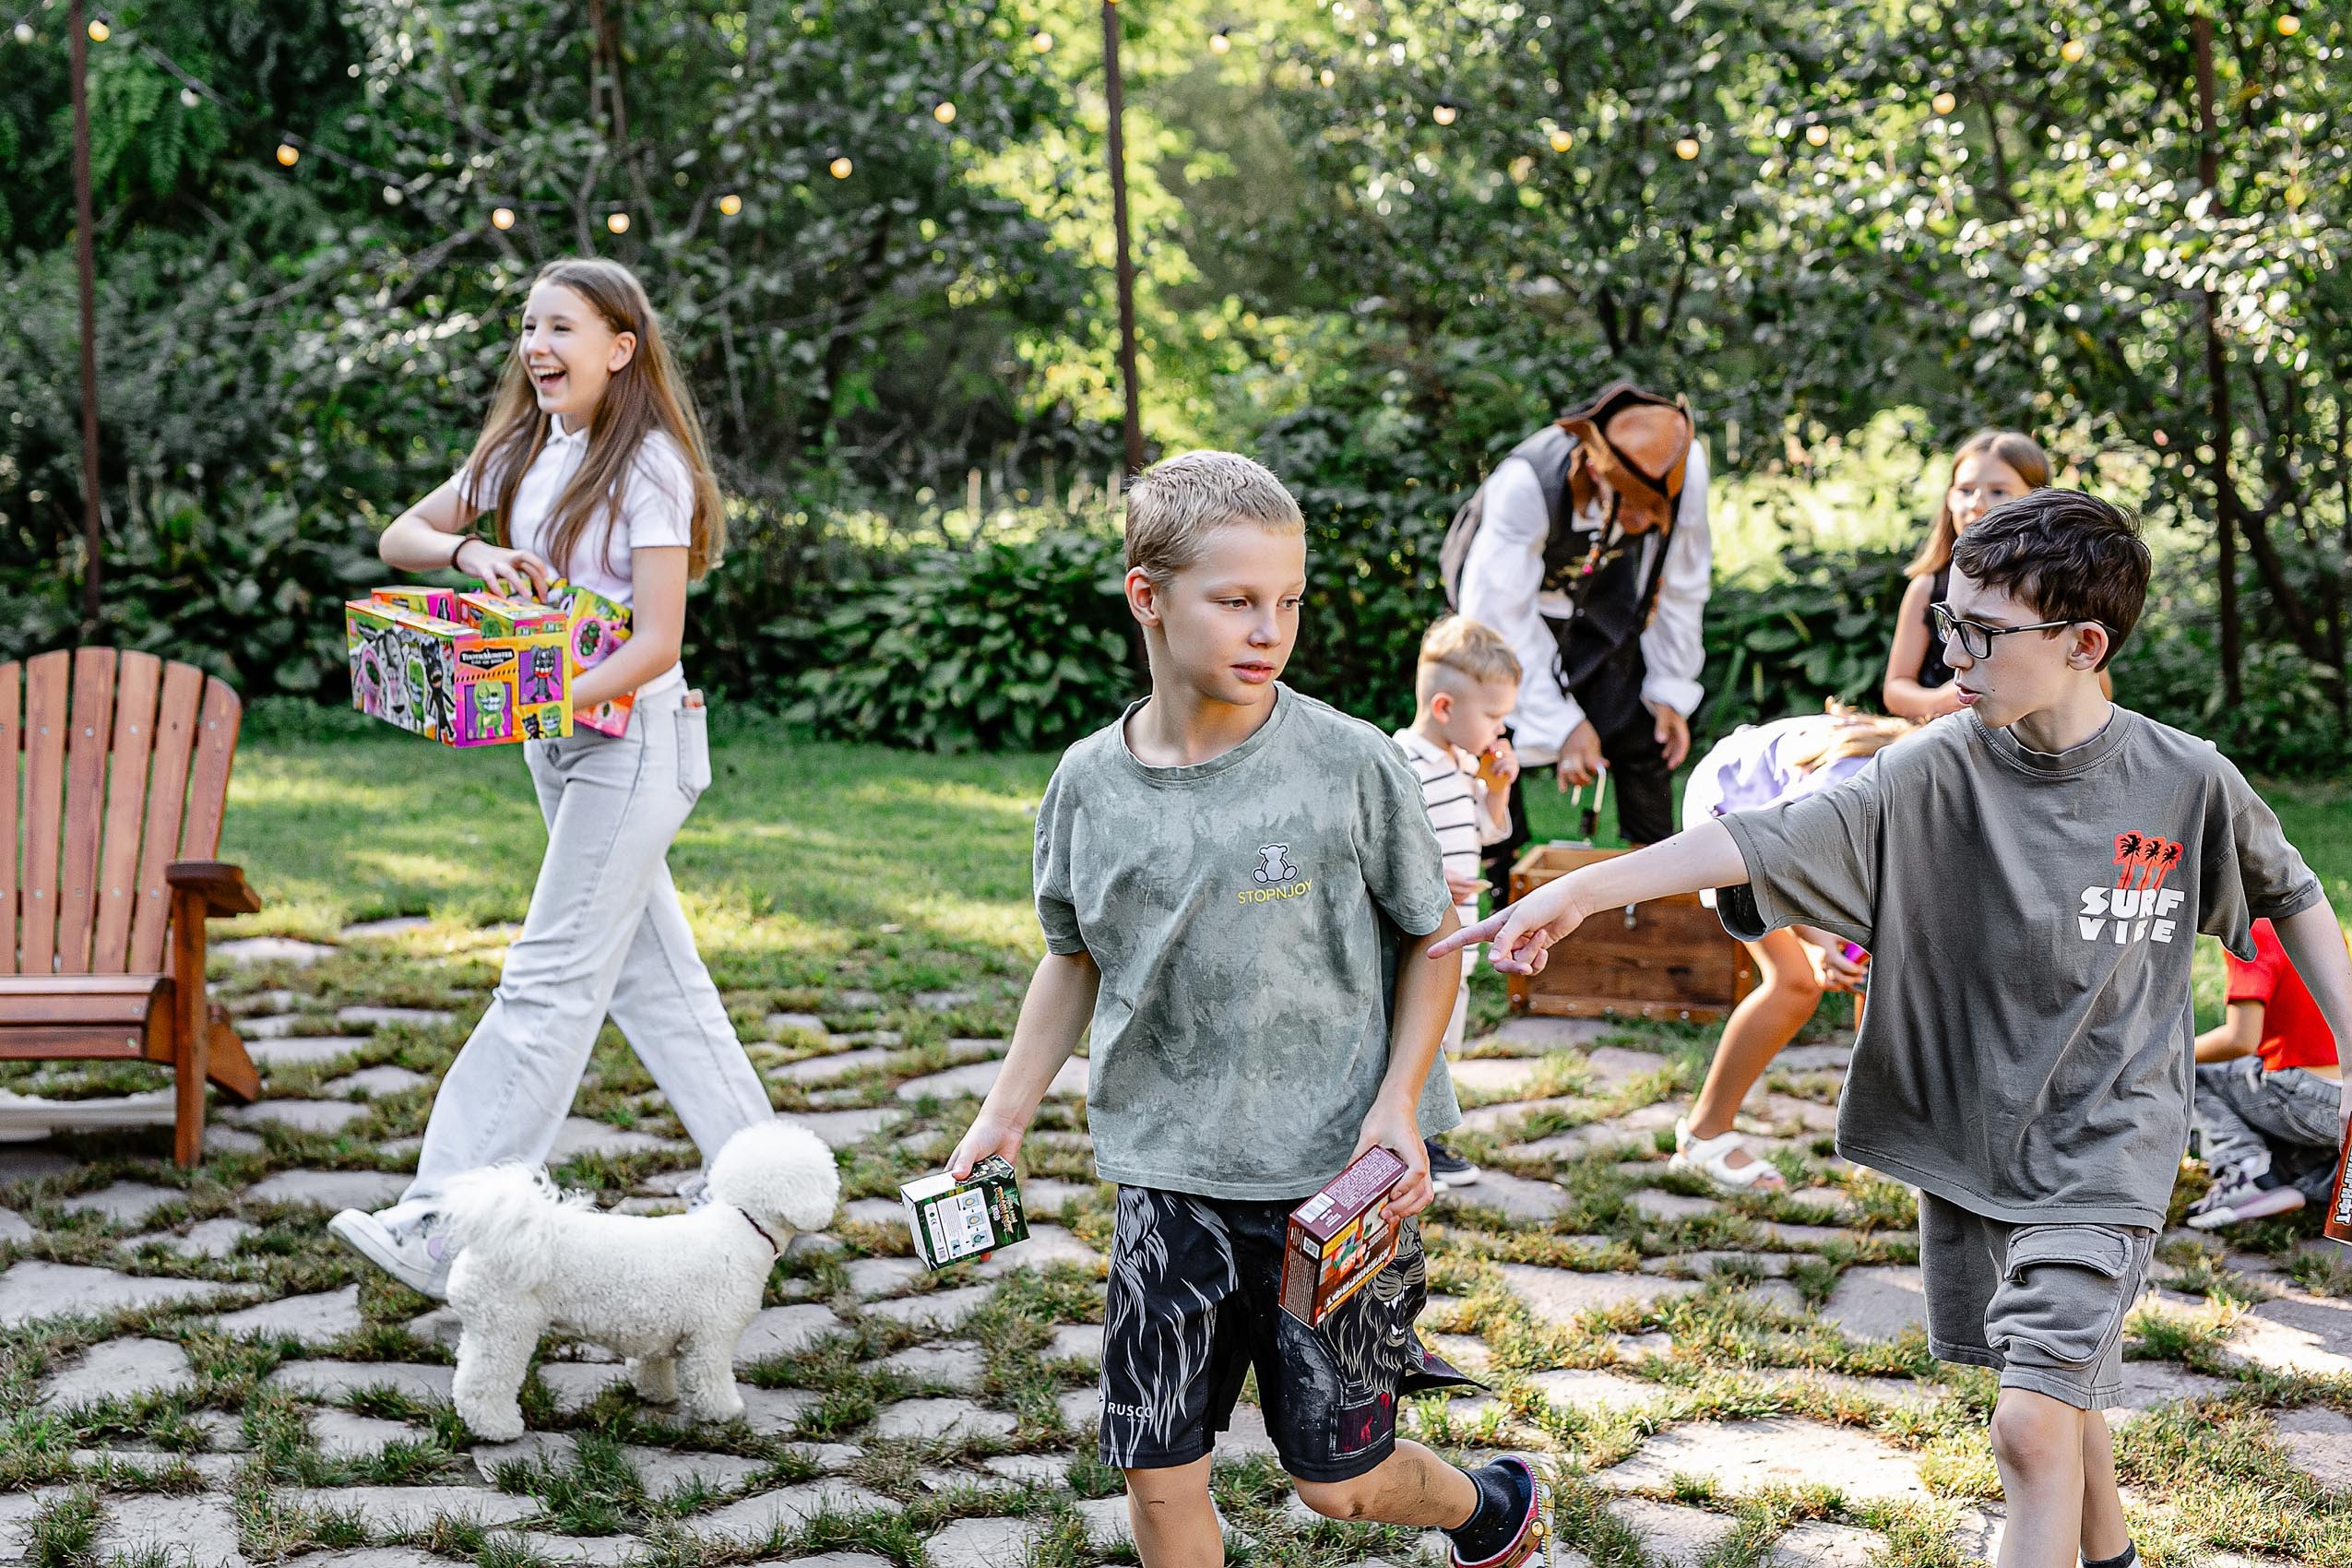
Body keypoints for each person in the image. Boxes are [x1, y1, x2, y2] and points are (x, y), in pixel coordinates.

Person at [1435, 491, 2352, 1568]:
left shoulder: (2186, 779)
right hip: (1975, 1140)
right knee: (2062, 1396)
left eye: (1983, 632)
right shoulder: (1936, 767)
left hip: (2115, 1141)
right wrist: (1585, 893)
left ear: (2084, 643)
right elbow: (1766, 837)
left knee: (2026, 1421)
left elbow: (2289, 894)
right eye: (1949, 619)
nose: (1950, 650)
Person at [948, 452, 1550, 1568]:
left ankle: (1487, 1501)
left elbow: (1432, 937)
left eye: (1287, 602)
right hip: (1168, 1177)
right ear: (1148, 596)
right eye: (1235, 600)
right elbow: (1072, 956)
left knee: (1341, 1482)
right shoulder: (1087, 782)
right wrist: (1004, 1114)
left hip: (1334, 1177)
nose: (1267, 628)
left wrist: (1400, 1103)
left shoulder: (1349, 763)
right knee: (1158, 1470)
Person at [329, 257, 775, 1298]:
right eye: (528, 324)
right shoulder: (524, 448)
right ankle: (771, 1199)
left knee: (548, 977)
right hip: (562, 744)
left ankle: (444, 1220)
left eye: (560, 326)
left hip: (634, 747)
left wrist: (544, 698)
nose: (536, 344)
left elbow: (658, 641)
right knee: (655, 984)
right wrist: (473, 559)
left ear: (620, 348)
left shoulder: (649, 464)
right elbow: (404, 534)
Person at [1445, 383, 1711, 889]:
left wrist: (1670, 688)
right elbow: (1500, 622)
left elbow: (1681, 583)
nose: (1645, 520)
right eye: (1633, 503)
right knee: (1491, 740)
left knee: (1644, 730)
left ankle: (1656, 898)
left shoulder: (1684, 463)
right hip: (1497, 615)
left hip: (1598, 601)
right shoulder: (1524, 487)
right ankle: (1507, 894)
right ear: (1594, 468)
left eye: (1657, 504)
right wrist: (1564, 725)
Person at [1669, 704, 1913, 1192]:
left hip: (1789, 817)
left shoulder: (1930, 785)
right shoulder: (1851, 790)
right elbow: (1773, 856)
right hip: (1733, 809)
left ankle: (1881, 1142)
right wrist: (1819, 942)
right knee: (1795, 984)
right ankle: (1702, 1136)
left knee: (1889, 965)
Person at [1391, 614, 1523, 1191]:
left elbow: (1488, 835)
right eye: (1493, 716)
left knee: (1444, 1040)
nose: (1501, 728)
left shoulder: (1463, 764)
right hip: (1416, 935)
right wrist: (1430, 875)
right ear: (1445, 708)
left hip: (1459, 932)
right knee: (1417, 1038)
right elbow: (1383, 848)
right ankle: (1412, 1142)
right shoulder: (1402, 763)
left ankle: (1422, 1137)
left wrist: (1497, 790)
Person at [2186, 916, 2347, 1229]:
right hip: (2344, 1100)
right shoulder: (2314, 918)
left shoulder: (2251, 930)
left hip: (2306, 1094)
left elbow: (2241, 1039)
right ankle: (2310, 1178)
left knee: (2190, 1074)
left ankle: (2247, 1169)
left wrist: (2169, 1053)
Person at [1882, 431, 2050, 720]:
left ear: (2035, 500)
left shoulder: (2054, 585)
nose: (1976, 503)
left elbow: (2098, 687)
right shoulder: (1928, 587)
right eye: (1964, 490)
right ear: (1949, 498)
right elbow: (1896, 689)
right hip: (1946, 735)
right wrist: (1940, 700)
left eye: (1998, 491)